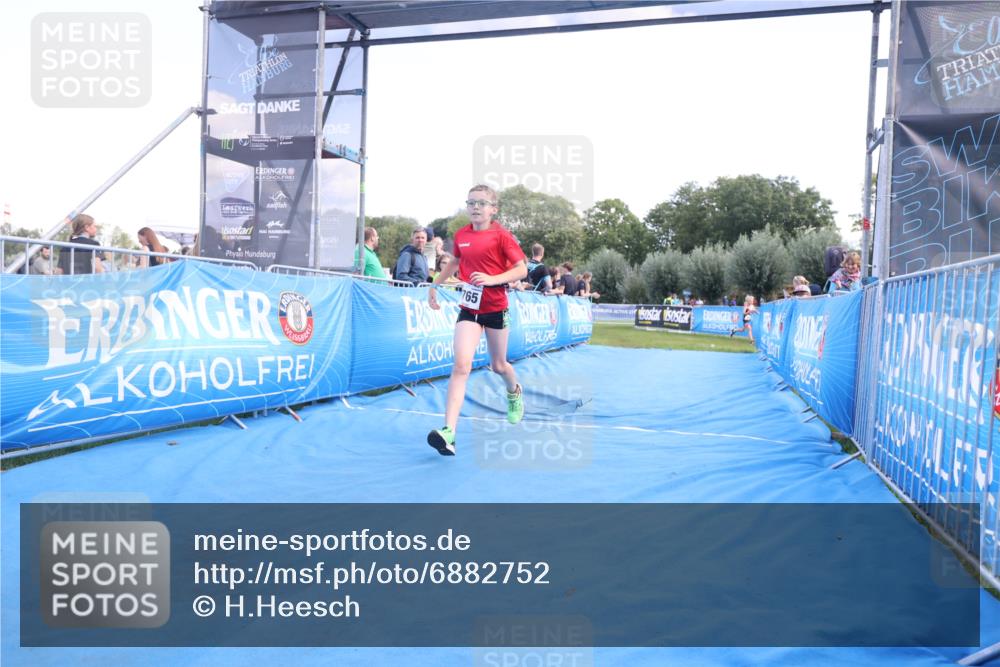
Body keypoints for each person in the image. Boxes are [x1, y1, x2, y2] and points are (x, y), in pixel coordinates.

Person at [426, 185, 528, 456]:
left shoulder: (502, 236)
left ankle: (514, 392)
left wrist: (493, 279)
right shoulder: (461, 235)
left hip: (496, 308)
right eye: (471, 202)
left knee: (498, 365)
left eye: (482, 203)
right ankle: (449, 432)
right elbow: (454, 262)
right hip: (469, 308)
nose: (475, 207)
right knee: (461, 365)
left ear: (493, 209)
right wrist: (435, 284)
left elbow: (522, 268)